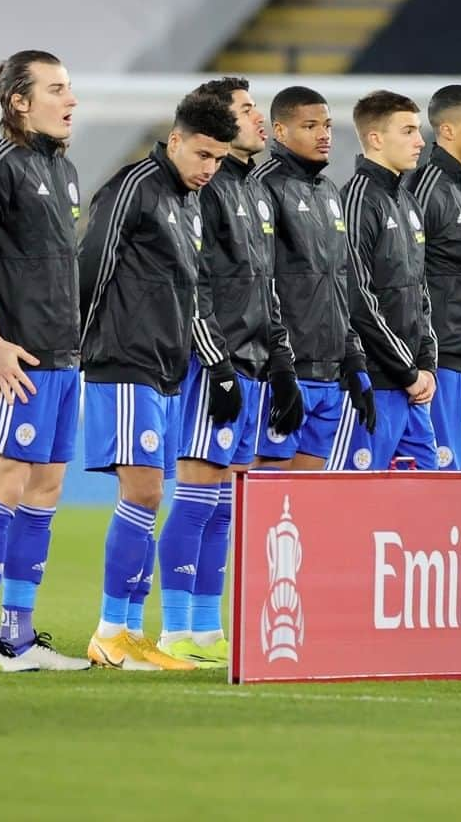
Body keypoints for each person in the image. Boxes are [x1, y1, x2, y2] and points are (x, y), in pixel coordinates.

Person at [80, 92, 239, 671]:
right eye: (202, 154)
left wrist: (216, 364)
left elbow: (193, 293)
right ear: (174, 140)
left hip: (167, 368)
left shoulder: (189, 202)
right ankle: (109, 630)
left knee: (150, 495)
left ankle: (128, 631)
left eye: (219, 159)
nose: (209, 169)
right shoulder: (133, 186)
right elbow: (92, 262)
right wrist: (81, 344)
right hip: (123, 360)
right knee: (143, 491)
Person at [160, 77, 304, 666]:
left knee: (225, 502)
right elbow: (194, 282)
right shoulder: (208, 189)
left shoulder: (253, 191)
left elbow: (262, 284)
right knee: (197, 491)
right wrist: (215, 360)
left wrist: (282, 361)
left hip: (252, 363)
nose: (258, 118)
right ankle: (174, 629)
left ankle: (205, 627)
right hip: (214, 361)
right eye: (246, 110)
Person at [0, 51, 89, 671]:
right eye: (57, 89)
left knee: (47, 487)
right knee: (4, 483)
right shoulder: (3, 168)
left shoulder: (62, 170)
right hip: (18, 358)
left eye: (71, 89)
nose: (71, 100)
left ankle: (19, 631)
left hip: (62, 357)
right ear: (19, 102)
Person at [251, 86, 375, 472]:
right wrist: (280, 365)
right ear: (280, 131)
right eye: (310, 125)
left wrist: (353, 361)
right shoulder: (263, 188)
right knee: (265, 500)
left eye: (327, 125)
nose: (324, 135)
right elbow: (260, 283)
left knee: (303, 505)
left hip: (329, 373)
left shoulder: (329, 193)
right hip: (285, 372)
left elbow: (341, 285)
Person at [335, 90, 438, 471]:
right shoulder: (358, 200)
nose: (420, 140)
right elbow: (357, 296)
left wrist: (426, 363)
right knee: (357, 503)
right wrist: (407, 371)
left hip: (411, 385)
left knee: (430, 494)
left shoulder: (407, 202)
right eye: (408, 130)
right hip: (376, 383)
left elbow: (420, 290)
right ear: (376, 139)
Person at [405, 85, 461, 471]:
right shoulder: (426, 188)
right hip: (440, 363)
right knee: (443, 486)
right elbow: (410, 273)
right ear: (447, 131)